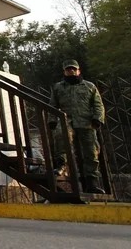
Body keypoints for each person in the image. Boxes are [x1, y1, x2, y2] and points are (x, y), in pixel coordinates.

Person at [48, 59, 106, 194]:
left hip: (86, 122)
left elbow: (98, 104)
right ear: (64, 72)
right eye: (68, 69)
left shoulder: (89, 86)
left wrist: (97, 119)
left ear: (78, 70)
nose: (71, 71)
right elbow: (53, 105)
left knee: (91, 151)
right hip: (67, 119)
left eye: (74, 69)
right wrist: (52, 120)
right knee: (62, 137)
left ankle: (91, 182)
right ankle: (61, 164)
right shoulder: (58, 87)